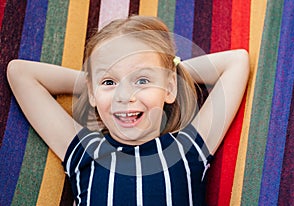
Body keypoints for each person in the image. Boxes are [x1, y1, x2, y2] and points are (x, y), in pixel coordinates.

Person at [7, 16, 249, 206]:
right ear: (92, 93)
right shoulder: (86, 152)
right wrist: (95, 82)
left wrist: (168, 75)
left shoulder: (188, 148)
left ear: (170, 89)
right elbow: (20, 73)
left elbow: (236, 62)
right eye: (110, 83)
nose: (125, 96)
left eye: (142, 81)